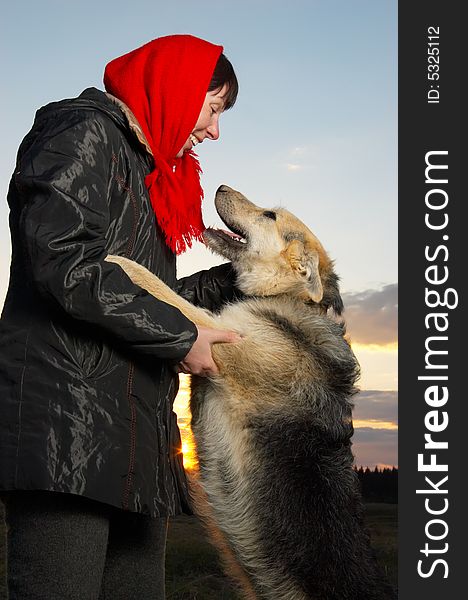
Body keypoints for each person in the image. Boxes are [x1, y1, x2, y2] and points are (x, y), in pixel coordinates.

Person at [0, 34, 240, 599]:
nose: (214, 131)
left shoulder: (150, 169)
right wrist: (181, 337)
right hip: (67, 432)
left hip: (134, 436)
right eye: (212, 108)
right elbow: (64, 262)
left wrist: (243, 279)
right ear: (176, 89)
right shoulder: (81, 132)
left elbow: (145, 292)